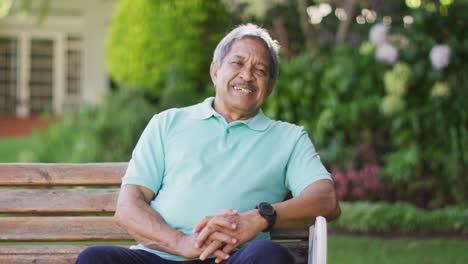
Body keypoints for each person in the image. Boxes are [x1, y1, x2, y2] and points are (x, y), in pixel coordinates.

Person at [76, 23, 340, 264]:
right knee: (94, 259)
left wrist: (260, 218)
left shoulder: (288, 138)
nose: (246, 76)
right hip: (161, 257)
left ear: (269, 87)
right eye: (237, 63)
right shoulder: (168, 122)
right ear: (215, 71)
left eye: (259, 70)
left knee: (269, 256)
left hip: (235, 258)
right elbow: (128, 207)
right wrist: (183, 243)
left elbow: (326, 200)